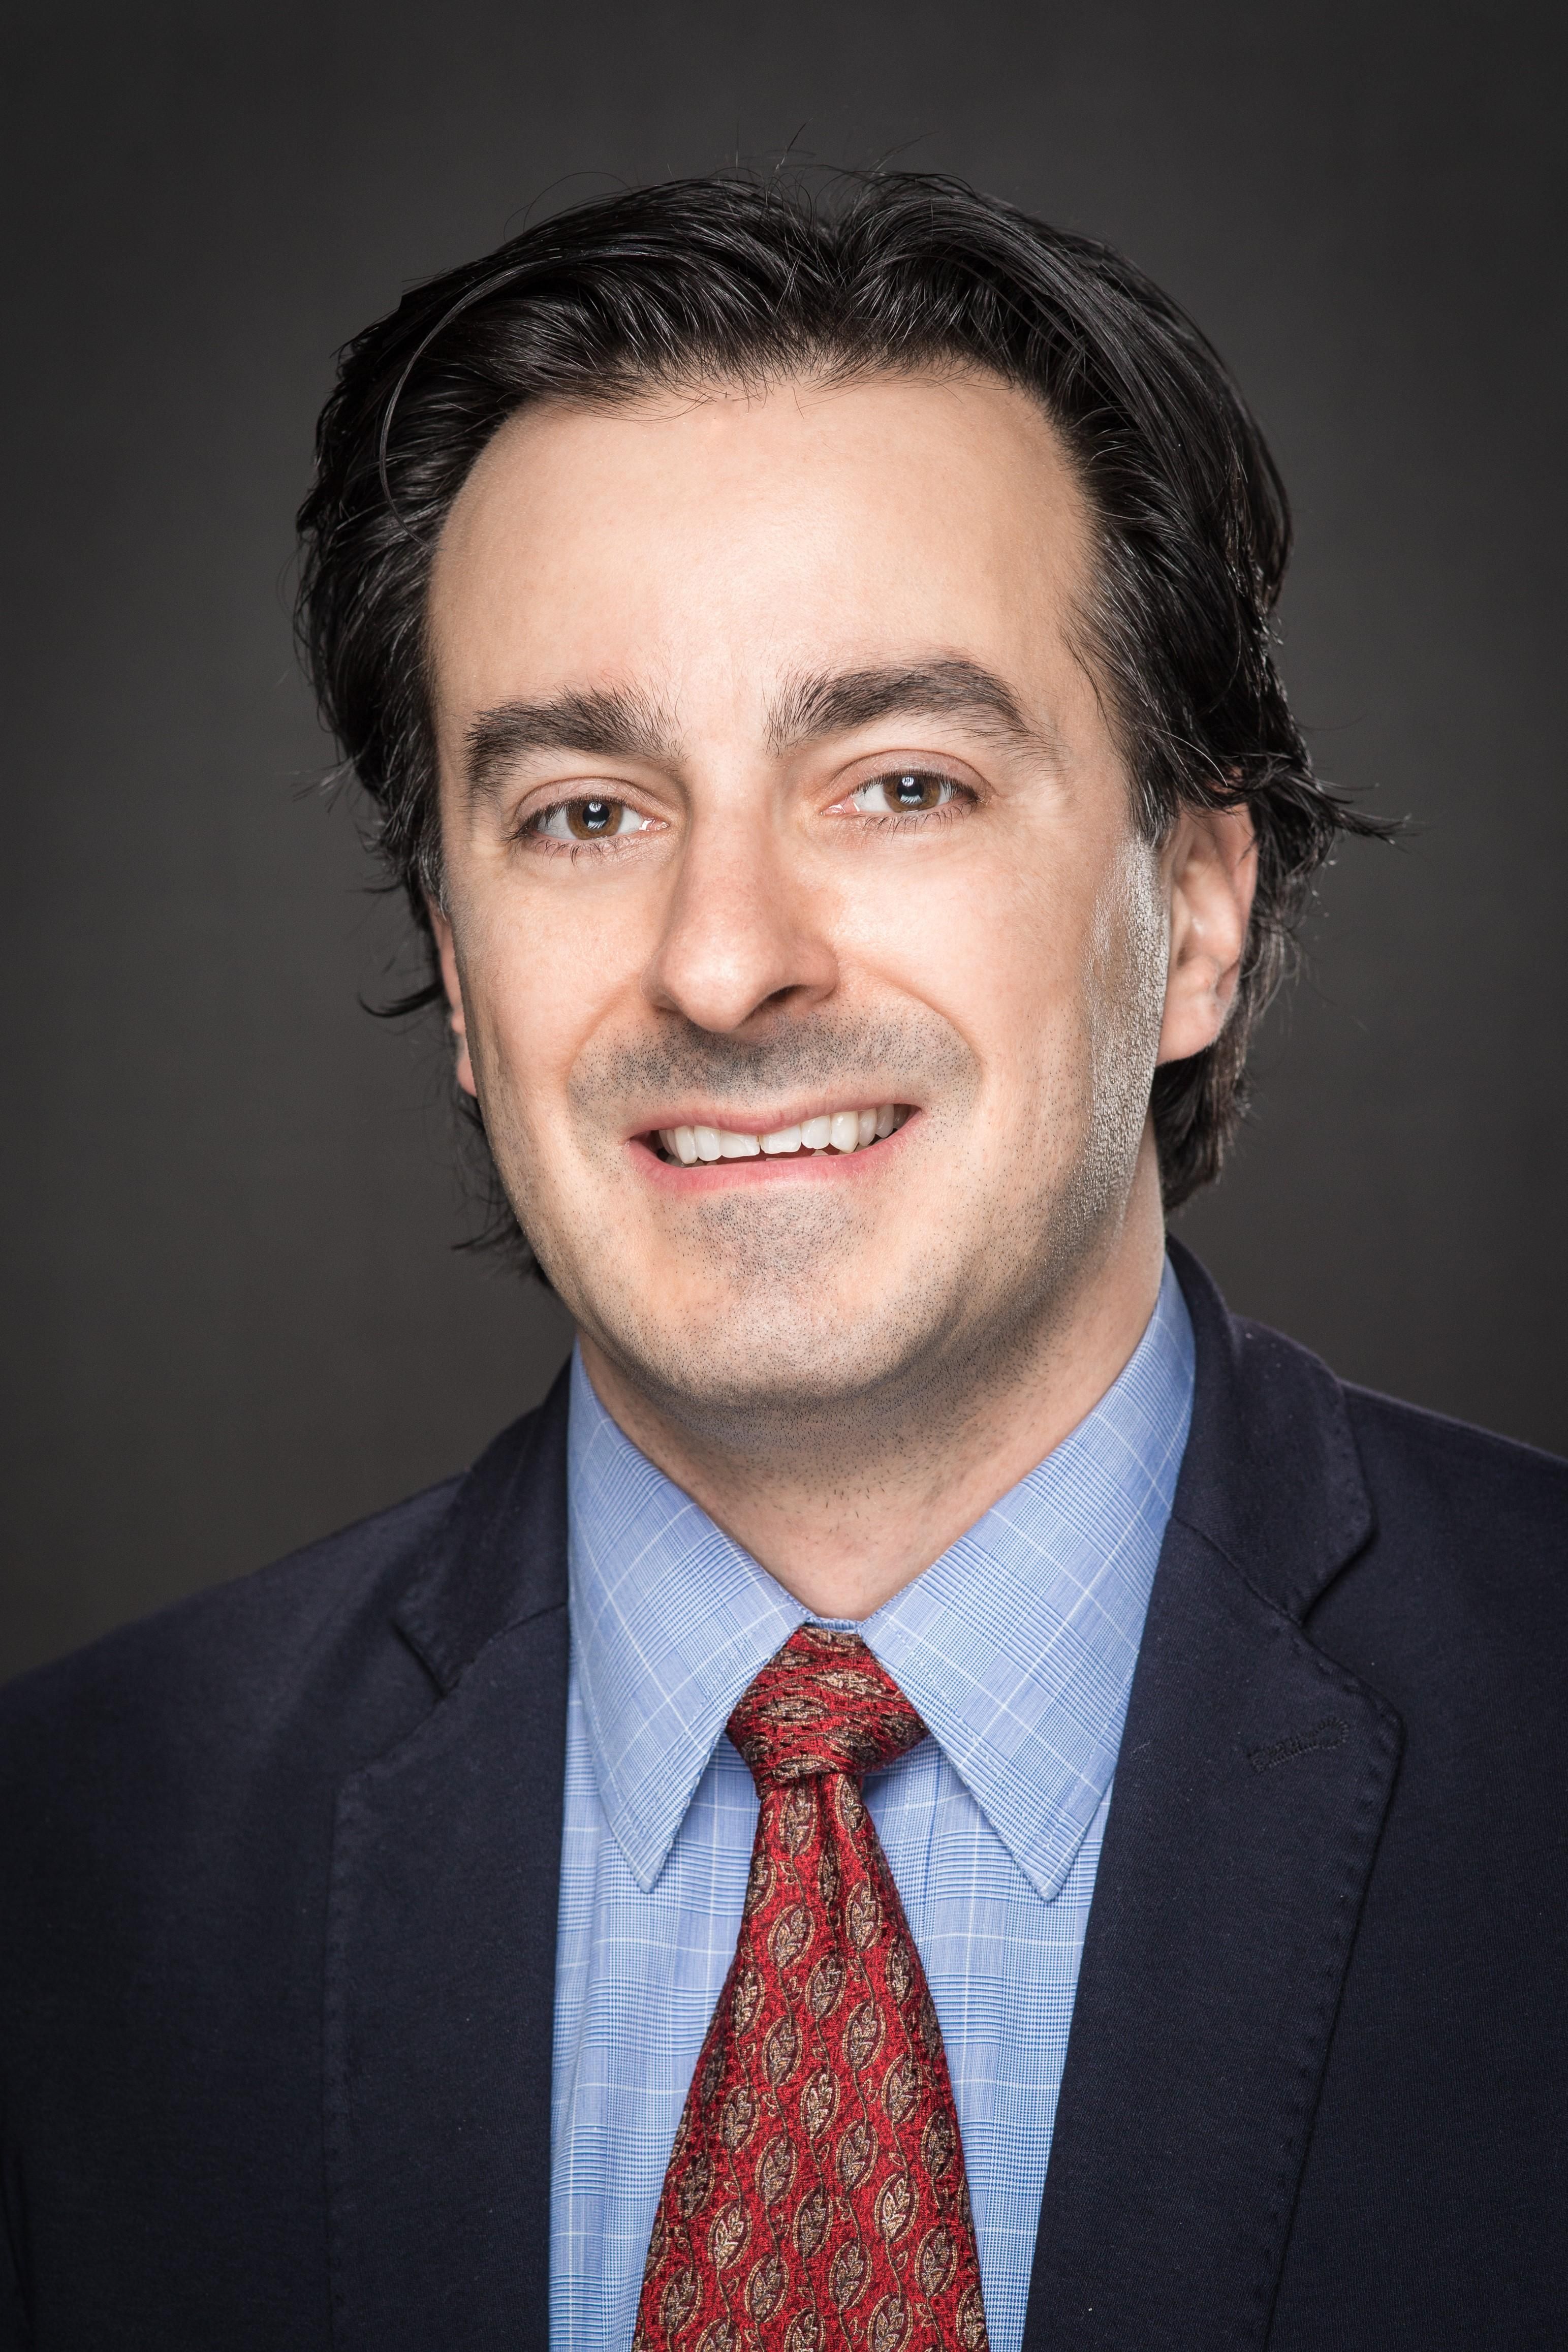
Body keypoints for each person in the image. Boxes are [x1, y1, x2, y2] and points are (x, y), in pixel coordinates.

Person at [1, 173, 1562, 2352]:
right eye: (585, 812)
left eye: (900, 784)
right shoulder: (72, 1864)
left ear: (1199, 909)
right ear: (457, 971)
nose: (723, 960)